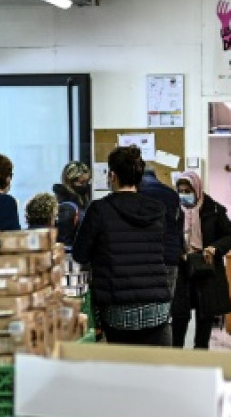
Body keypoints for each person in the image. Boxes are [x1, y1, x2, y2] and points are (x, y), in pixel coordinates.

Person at [71, 145, 172, 346]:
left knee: (125, 369)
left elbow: (80, 254)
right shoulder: (158, 210)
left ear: (113, 176)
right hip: (157, 306)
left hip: (118, 309)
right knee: (154, 369)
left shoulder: (99, 210)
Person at [171, 170, 231, 349]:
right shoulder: (174, 211)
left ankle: (200, 355)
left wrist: (214, 248)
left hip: (206, 267)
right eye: (181, 190)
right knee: (179, 315)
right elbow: (166, 237)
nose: (184, 195)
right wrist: (178, 251)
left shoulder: (214, 210)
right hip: (182, 268)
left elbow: (230, 236)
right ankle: (175, 356)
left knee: (205, 314)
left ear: (197, 189)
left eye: (187, 190)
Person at [139, 166, 185, 296]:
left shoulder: (136, 193)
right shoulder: (172, 194)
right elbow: (178, 226)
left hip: (143, 258)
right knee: (165, 304)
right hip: (169, 256)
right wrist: (180, 249)